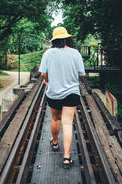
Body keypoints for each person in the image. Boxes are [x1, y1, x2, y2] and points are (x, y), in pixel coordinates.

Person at [39, 27, 86, 169]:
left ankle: (54, 143)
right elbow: (81, 74)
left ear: (54, 40)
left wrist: (47, 80)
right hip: (72, 93)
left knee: (55, 119)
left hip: (54, 93)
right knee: (67, 123)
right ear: (67, 39)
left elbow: (42, 74)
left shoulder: (48, 53)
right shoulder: (75, 53)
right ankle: (66, 158)